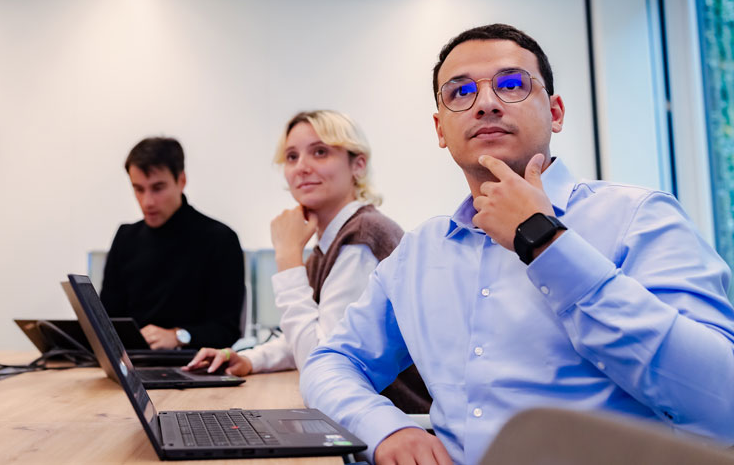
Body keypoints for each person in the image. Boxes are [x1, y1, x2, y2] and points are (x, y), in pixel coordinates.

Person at [301, 24, 734, 465]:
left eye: (511, 85)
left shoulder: (639, 218)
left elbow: (722, 405)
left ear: (556, 112)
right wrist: (385, 428)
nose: (486, 103)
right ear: (440, 129)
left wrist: (545, 241)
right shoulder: (421, 252)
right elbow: (331, 361)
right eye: (459, 93)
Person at [185, 111, 430, 412]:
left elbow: (320, 361)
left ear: (358, 164)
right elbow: (307, 339)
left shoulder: (363, 238)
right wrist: (249, 360)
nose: (301, 167)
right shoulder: (330, 245)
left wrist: (287, 256)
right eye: (291, 157)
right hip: (367, 415)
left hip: (396, 428)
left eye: (320, 152)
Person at [100, 137, 244, 350]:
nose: (147, 201)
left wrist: (179, 336)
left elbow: (227, 329)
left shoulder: (219, 239)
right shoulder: (125, 238)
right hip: (130, 363)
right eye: (139, 189)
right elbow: (106, 322)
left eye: (158, 188)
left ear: (181, 180)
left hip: (192, 364)